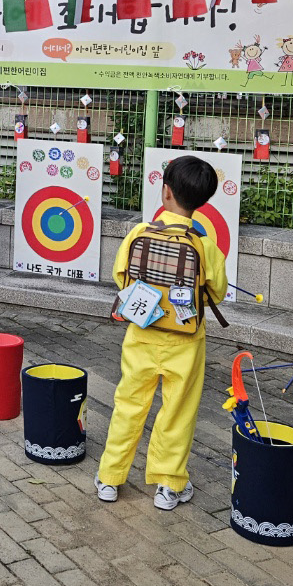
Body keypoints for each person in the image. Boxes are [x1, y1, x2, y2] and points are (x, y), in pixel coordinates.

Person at [95, 155, 228, 511]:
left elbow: (121, 277)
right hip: (186, 342)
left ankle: (109, 478)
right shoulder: (205, 245)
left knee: (129, 406)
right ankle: (168, 485)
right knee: (177, 412)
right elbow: (216, 292)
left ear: (165, 191)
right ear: (203, 201)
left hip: (141, 334)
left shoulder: (139, 233)